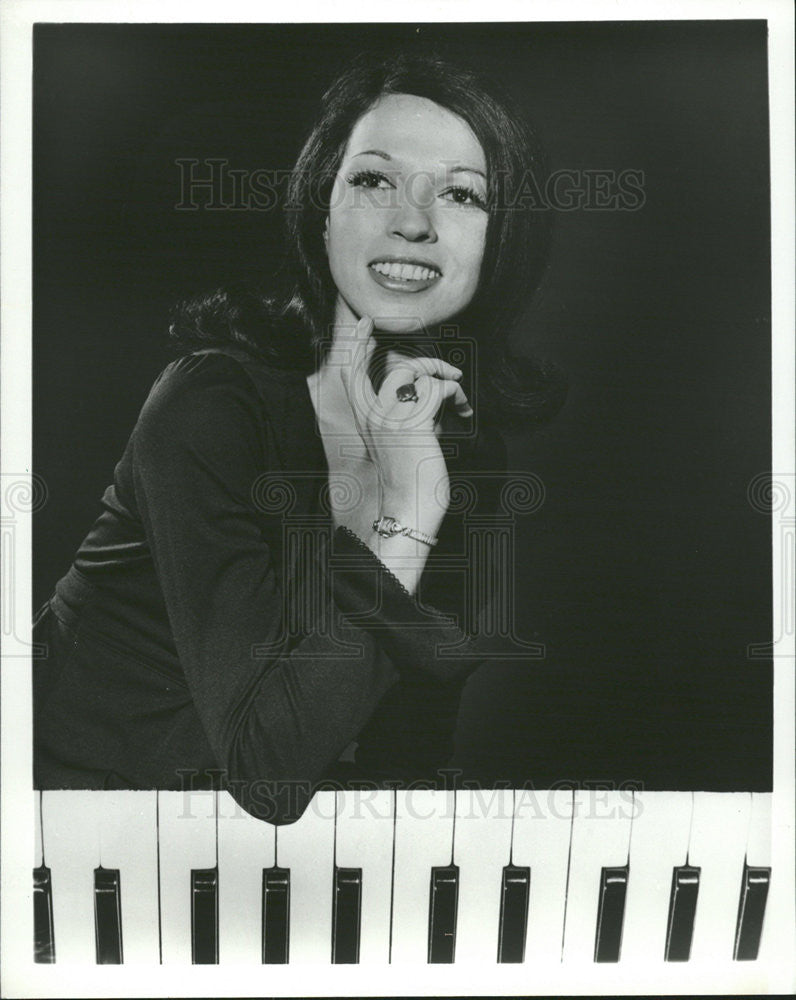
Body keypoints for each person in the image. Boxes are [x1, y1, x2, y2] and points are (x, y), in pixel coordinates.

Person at [33, 50, 566, 822]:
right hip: (53, 835)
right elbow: (269, 772)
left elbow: (403, 762)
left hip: (227, 863)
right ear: (323, 208)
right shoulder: (212, 402)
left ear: (502, 239)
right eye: (373, 179)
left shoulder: (463, 451)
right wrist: (410, 508)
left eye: (460, 194)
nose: (412, 222)